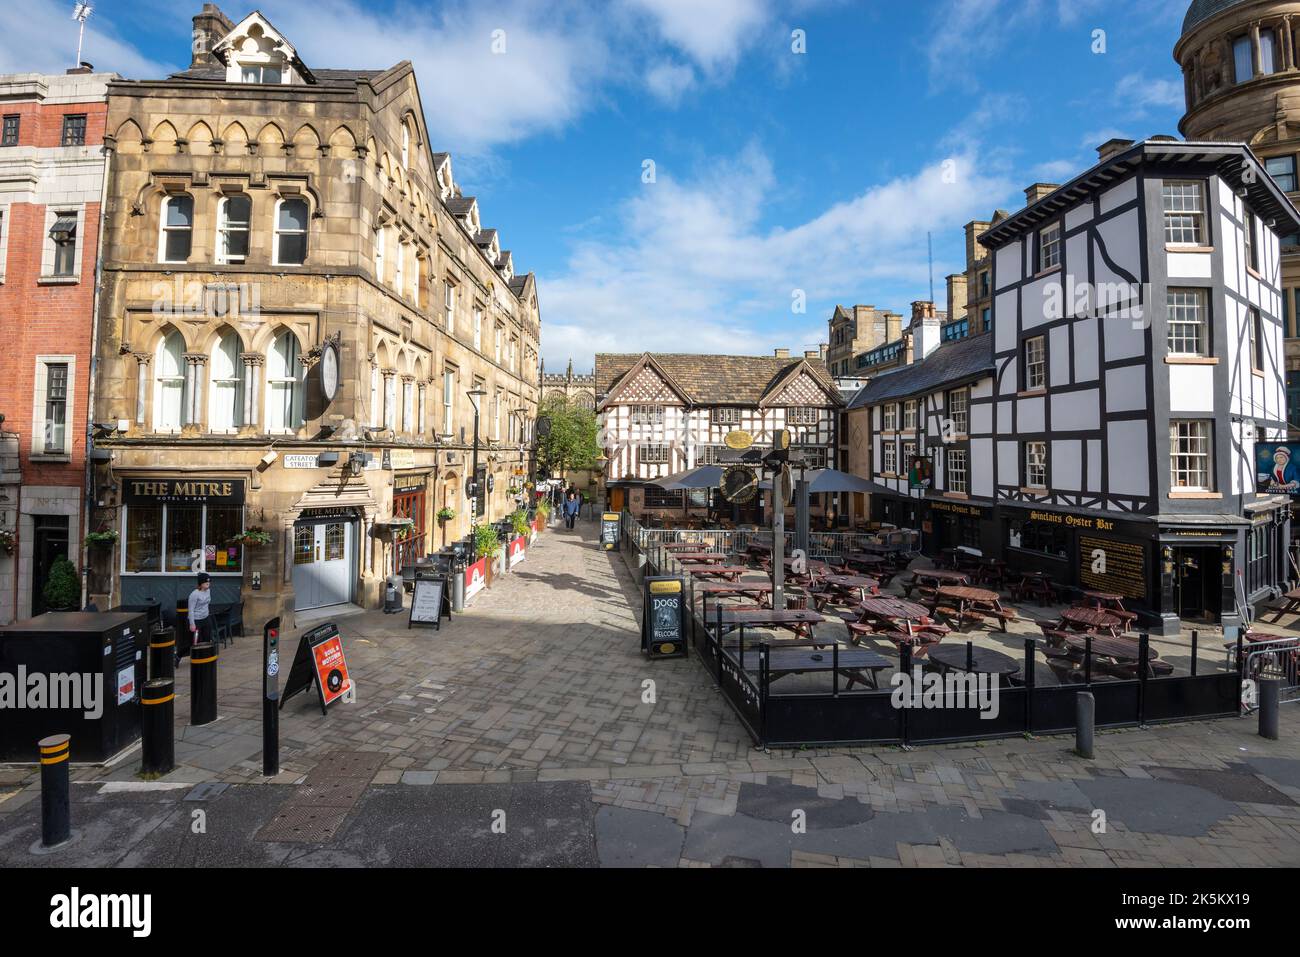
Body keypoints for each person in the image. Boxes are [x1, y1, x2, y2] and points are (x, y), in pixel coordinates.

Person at [187, 572, 213, 648]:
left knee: (207, 639)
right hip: (196, 619)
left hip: (206, 618)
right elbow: (191, 610)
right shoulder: (194, 594)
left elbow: (206, 604)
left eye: (209, 581)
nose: (208, 583)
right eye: (206, 582)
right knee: (196, 641)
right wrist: (192, 624)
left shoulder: (208, 591)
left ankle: (206, 656)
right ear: (201, 583)